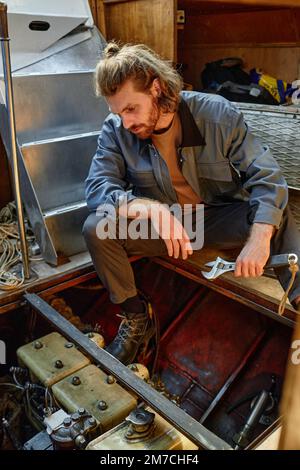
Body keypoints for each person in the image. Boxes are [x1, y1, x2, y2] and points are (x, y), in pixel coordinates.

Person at [83, 42, 300, 365]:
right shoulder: (116, 131)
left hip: (219, 219)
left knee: (273, 215)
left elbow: (268, 179)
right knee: (97, 228)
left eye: (131, 109)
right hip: (173, 227)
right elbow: (97, 189)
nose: (126, 122)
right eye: (118, 113)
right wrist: (149, 208)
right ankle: (136, 317)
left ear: (156, 88)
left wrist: (258, 239)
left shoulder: (216, 113)